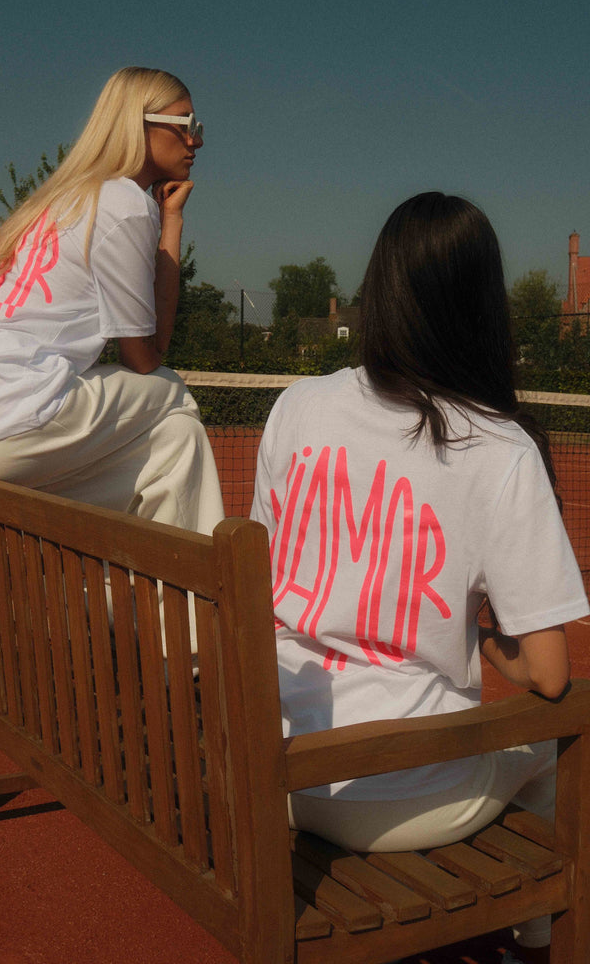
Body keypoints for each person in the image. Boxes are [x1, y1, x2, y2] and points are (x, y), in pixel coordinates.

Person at [250, 192, 589, 964]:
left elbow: (267, 581)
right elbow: (549, 675)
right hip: (406, 796)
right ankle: (534, 943)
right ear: (483, 306)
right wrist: (482, 638)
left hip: (279, 773)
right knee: (555, 743)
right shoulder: (499, 448)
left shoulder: (297, 406)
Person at [0, 67, 224, 535]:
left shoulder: (54, 202)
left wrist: (169, 217)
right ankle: (191, 578)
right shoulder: (123, 201)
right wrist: (170, 225)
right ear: (138, 124)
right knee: (170, 390)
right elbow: (145, 357)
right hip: (1, 418)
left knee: (175, 437)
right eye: (187, 124)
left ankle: (120, 575)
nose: (196, 140)